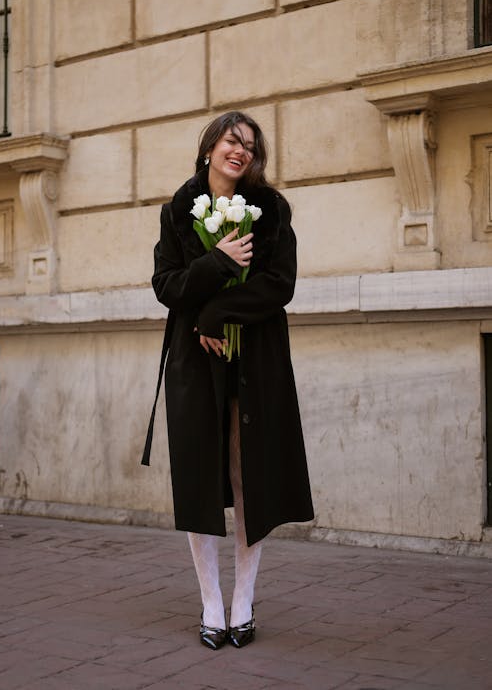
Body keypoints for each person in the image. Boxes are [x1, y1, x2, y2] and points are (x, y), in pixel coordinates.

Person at [142, 111, 314, 649]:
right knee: (198, 482)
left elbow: (279, 284)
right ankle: (209, 604)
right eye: (230, 140)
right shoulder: (177, 212)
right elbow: (166, 285)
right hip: (196, 366)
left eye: (249, 144)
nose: (239, 150)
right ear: (210, 145)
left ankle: (244, 602)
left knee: (249, 481)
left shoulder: (271, 211)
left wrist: (220, 315)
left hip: (255, 361)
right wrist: (216, 261)